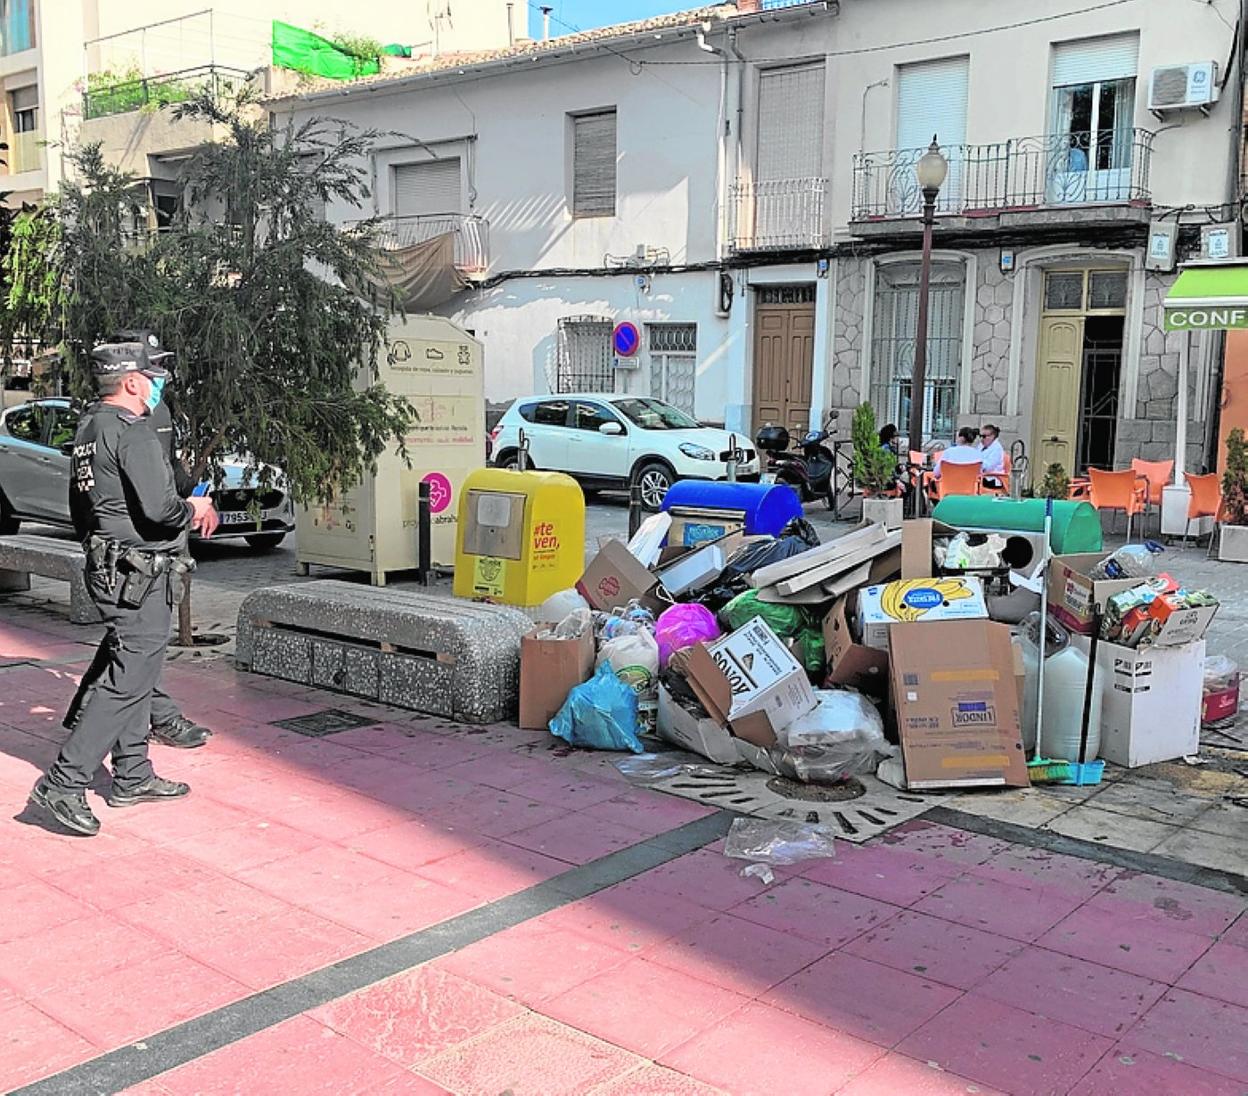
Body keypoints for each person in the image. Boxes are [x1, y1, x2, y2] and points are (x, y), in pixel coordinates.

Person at [29, 342, 218, 836]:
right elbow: (160, 509)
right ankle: (63, 784)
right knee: (129, 680)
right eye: (154, 376)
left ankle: (132, 775)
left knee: (133, 670)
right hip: (138, 574)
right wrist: (192, 510)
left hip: (111, 567)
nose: (159, 384)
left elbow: (83, 509)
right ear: (132, 382)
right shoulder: (133, 432)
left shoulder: (91, 428)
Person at [113, 329, 214, 750]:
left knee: (132, 646)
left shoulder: (159, 411)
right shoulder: (119, 417)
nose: (162, 374)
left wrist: (194, 493)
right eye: (154, 367)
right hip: (137, 550)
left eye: (163, 366)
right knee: (139, 646)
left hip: (162, 539)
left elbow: (168, 465)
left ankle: (114, 716)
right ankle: (151, 727)